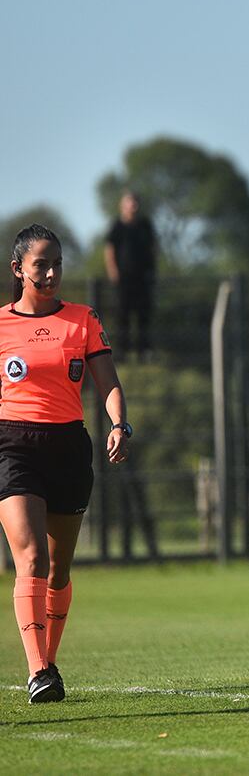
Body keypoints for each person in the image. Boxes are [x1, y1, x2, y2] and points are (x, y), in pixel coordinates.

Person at [2, 224, 131, 703]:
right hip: (12, 445)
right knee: (30, 558)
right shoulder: (0, 325)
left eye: (57, 263)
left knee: (58, 570)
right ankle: (38, 671)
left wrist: (119, 424)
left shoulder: (82, 319)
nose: (52, 272)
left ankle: (48, 662)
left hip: (68, 448)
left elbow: (109, 384)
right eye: (41, 264)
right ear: (19, 269)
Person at [102, 191, 158, 360]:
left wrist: (153, 269)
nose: (132, 205)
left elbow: (154, 247)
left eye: (135, 202)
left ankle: (144, 351)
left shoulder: (145, 225)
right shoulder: (117, 226)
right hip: (123, 280)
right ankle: (122, 351)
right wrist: (113, 272)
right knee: (122, 314)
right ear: (122, 205)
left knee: (144, 315)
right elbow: (109, 250)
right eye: (129, 202)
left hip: (143, 278)